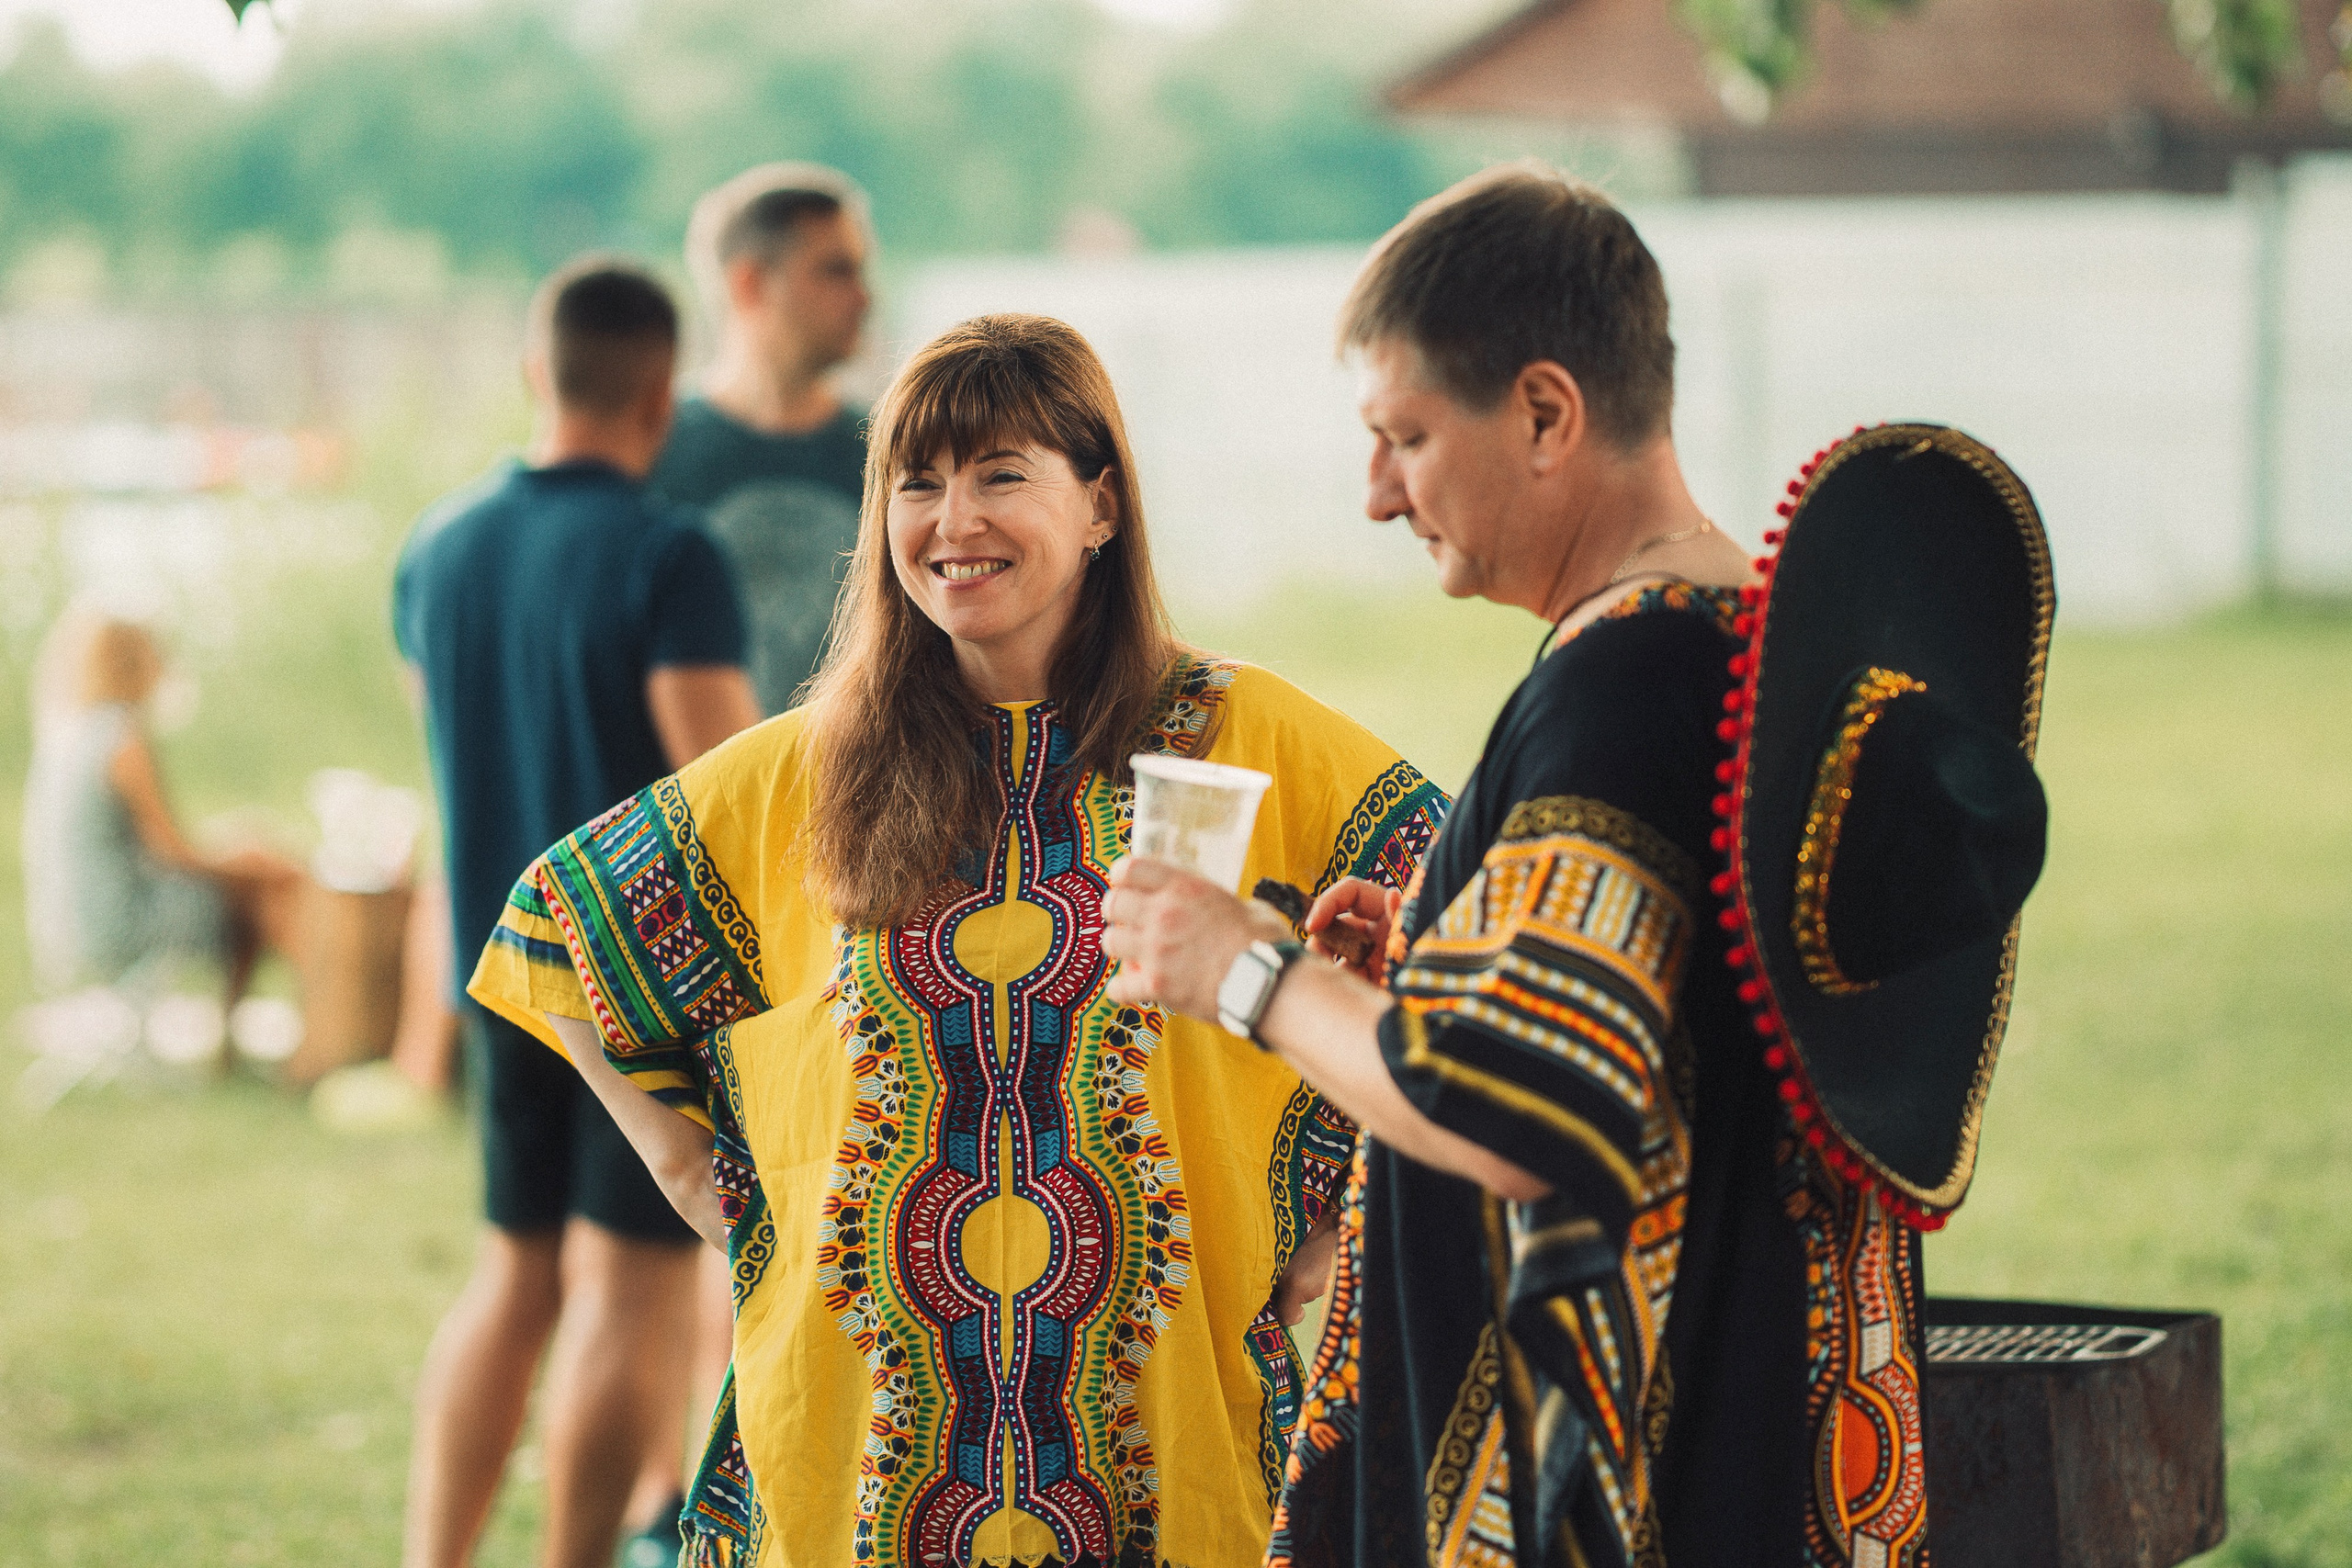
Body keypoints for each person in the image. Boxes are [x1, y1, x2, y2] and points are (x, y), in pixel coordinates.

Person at [1102, 165, 2052, 1568]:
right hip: (1766, 1418)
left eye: (1405, 435)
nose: (1377, 495)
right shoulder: (1753, 644)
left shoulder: (1622, 689)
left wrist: (1246, 967)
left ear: (1547, 410)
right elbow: (1662, 1034)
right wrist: (1427, 960)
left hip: (1630, 1470)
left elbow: (1519, 1108)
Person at [468, 313, 1450, 1568]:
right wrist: (688, 1168)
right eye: (916, 482)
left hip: (1173, 1443)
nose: (952, 520)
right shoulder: (808, 771)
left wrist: (1331, 1216)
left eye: (1000, 474)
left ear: (1100, 504)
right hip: (855, 1470)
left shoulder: (1242, 735)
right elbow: (559, 917)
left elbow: (1461, 921)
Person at [392, 256, 762, 1568]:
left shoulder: (436, 546)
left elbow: (450, 758)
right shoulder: (672, 553)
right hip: (634, 989)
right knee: (633, 1284)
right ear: (664, 388)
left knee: (514, 1272)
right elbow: (728, 789)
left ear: (534, 374)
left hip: (498, 972)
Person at [649, 162, 874, 716]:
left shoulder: (890, 449)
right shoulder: (653, 452)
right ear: (749, 283)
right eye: (835, 271)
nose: (864, 298)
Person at [21, 613, 307, 1042]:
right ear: (135, 663)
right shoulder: (122, 737)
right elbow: (173, 852)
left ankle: (240, 1043)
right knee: (257, 902)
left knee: (247, 877)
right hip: (117, 924)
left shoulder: (68, 734)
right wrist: (251, 862)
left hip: (63, 923)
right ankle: (274, 1040)